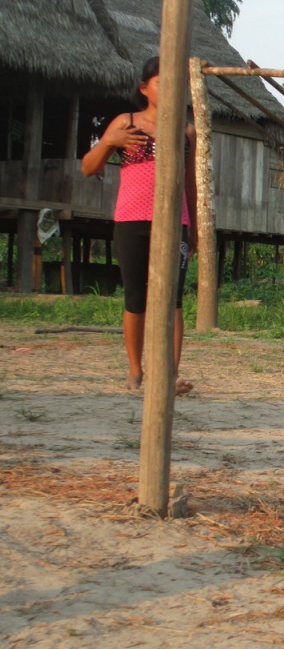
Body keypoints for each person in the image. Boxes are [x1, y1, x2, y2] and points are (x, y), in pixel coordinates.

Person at [81, 56, 197, 395]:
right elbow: (88, 168)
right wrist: (108, 143)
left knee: (173, 299)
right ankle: (135, 370)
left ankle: (170, 375)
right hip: (131, 219)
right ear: (144, 88)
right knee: (136, 298)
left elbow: (190, 184)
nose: (171, 88)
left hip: (177, 222)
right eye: (162, 82)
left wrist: (197, 229)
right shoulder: (125, 123)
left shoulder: (186, 131)